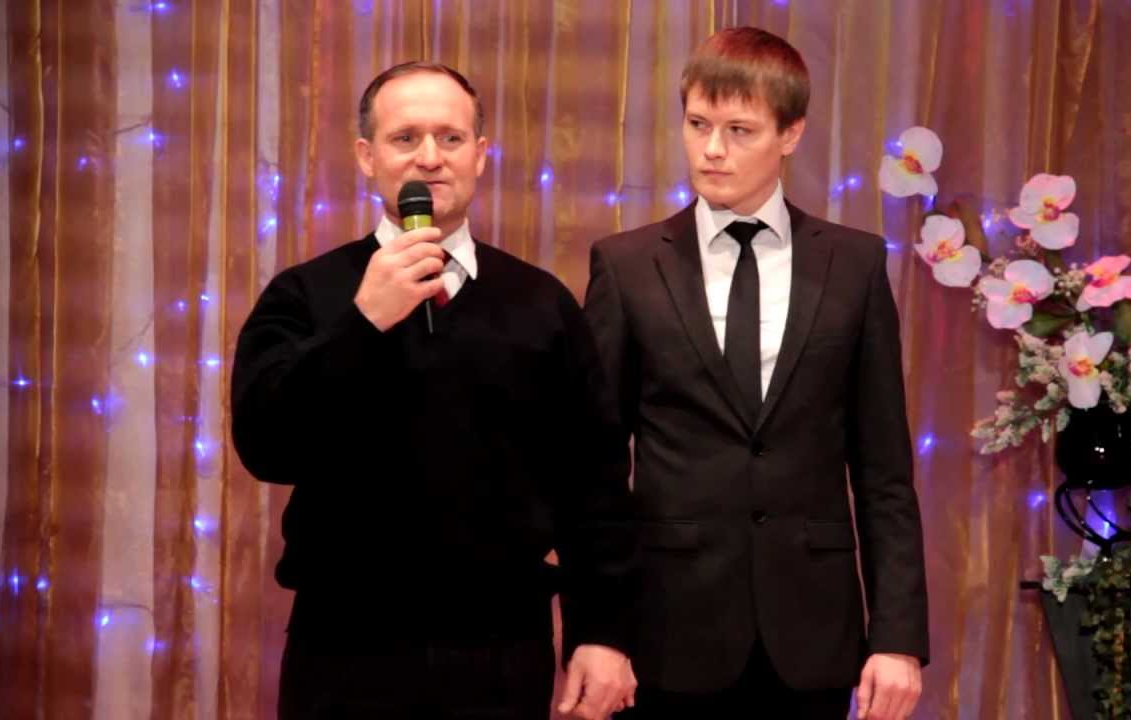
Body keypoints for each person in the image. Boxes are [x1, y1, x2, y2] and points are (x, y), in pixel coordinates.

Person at [231, 61, 636, 720]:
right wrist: (363, 322)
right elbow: (267, 445)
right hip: (346, 644)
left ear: (480, 154)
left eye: (450, 138)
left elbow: (593, 480)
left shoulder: (540, 302)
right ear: (367, 156)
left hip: (500, 646)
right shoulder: (306, 294)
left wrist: (602, 629)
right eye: (405, 138)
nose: (429, 158)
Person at [583, 27, 929, 720]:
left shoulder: (854, 265)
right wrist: (600, 630)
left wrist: (897, 637)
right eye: (698, 125)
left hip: (812, 634)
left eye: (739, 130)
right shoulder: (627, 266)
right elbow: (594, 469)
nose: (712, 149)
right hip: (667, 629)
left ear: (790, 134)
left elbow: (884, 471)